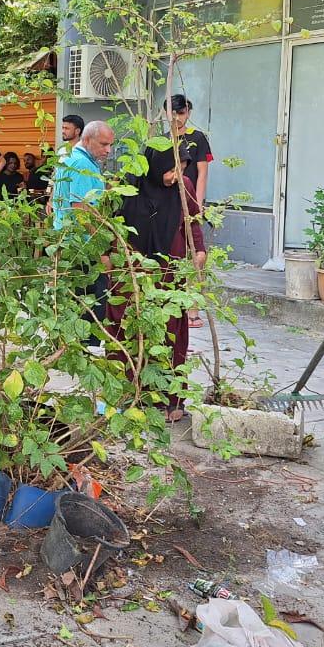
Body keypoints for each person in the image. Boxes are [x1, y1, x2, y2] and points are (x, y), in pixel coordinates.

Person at [114, 142, 203, 413]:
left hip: (169, 273)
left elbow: (193, 221)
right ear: (155, 166)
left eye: (181, 169)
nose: (176, 176)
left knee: (170, 334)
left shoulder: (183, 186)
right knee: (128, 330)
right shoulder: (128, 186)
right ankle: (130, 396)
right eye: (171, 170)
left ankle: (170, 400)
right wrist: (111, 258)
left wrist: (198, 250)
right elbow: (113, 225)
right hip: (134, 274)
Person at [52, 120, 116, 344]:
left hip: (68, 241)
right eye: (104, 144)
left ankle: (71, 344)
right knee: (91, 300)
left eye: (110, 145)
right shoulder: (82, 164)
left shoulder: (70, 157)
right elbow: (81, 211)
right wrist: (101, 249)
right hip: (82, 243)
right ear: (87, 140)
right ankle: (84, 349)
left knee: (73, 299)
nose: (108, 150)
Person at [167, 95, 212, 327]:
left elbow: (202, 173)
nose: (177, 118)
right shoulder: (162, 140)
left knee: (196, 256)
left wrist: (199, 205)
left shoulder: (197, 138)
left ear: (189, 112)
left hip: (190, 203)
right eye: (173, 113)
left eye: (181, 113)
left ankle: (192, 312)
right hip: (166, 208)